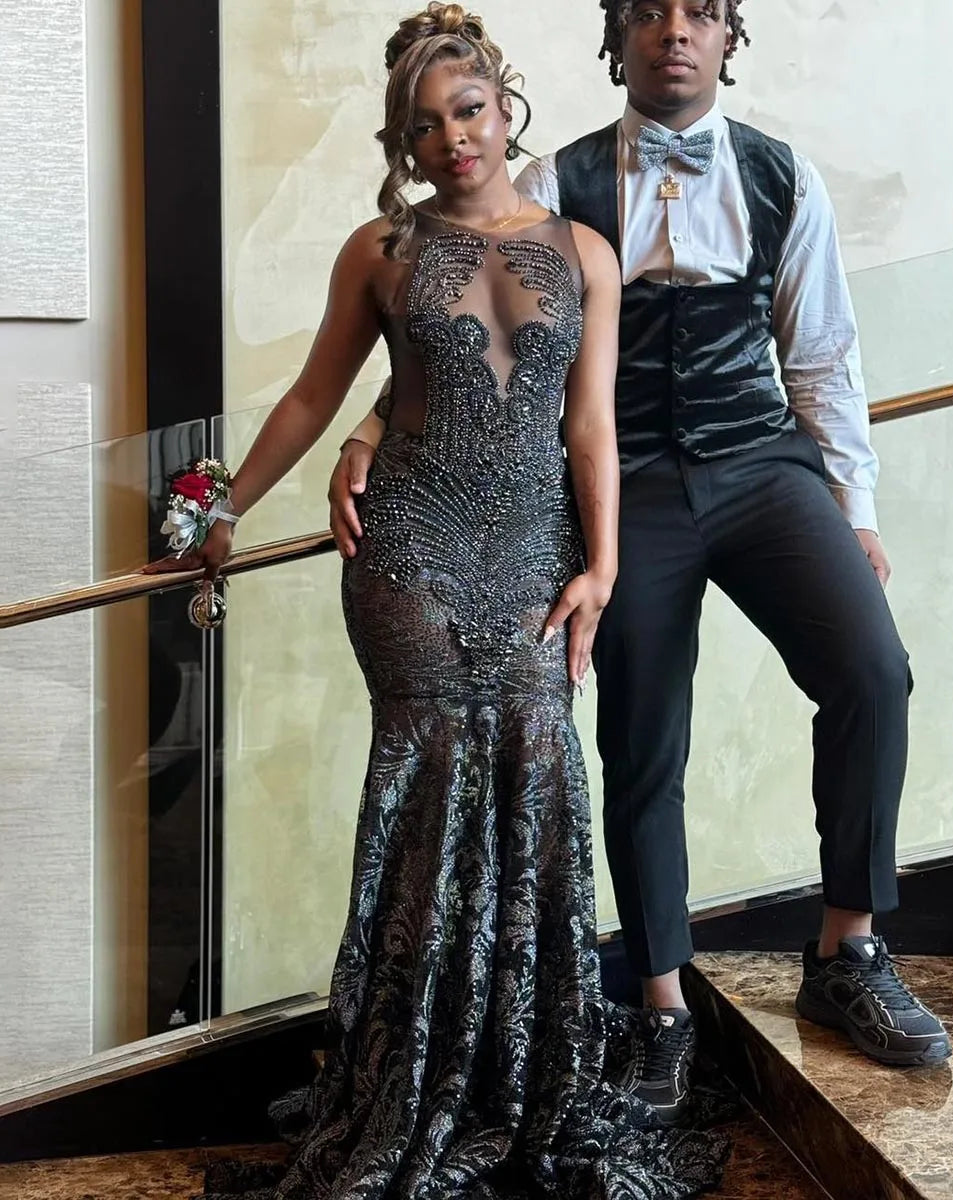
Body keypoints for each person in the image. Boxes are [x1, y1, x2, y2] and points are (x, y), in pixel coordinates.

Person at [331, 0, 953, 1118]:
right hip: (628, 484)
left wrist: (853, 509)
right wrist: (376, 424)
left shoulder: (784, 177)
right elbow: (474, 324)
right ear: (617, 38)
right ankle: (662, 1004)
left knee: (873, 672)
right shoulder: (557, 181)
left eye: (701, 12)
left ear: (727, 38)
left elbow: (822, 353)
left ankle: (848, 950)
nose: (676, 30)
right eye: (652, 11)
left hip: (761, 463)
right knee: (640, 734)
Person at [150, 4, 731, 1196]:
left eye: (468, 112)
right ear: (403, 143)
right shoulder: (380, 251)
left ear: (504, 110)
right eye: (424, 126)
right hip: (409, 550)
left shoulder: (585, 252)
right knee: (427, 799)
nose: (452, 139)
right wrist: (221, 508)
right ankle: (407, 1079)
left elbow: (590, 427)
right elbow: (314, 396)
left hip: (535, 558)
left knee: (538, 785)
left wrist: (603, 568)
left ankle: (512, 1081)